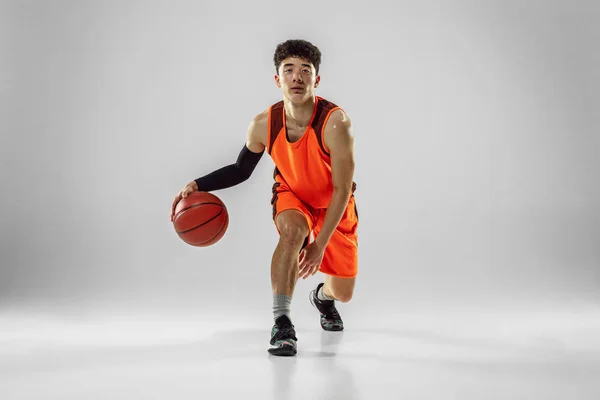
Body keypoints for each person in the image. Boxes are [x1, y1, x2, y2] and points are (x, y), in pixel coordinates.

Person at [170, 39, 359, 357]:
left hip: (334, 204)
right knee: (292, 233)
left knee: (344, 292)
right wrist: (198, 184)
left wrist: (320, 246)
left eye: (305, 70)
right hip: (292, 193)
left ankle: (323, 298)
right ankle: (282, 323)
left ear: (317, 79)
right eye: (289, 70)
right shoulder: (263, 124)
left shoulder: (336, 124)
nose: (297, 77)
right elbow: (241, 170)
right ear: (278, 79)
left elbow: (342, 189)